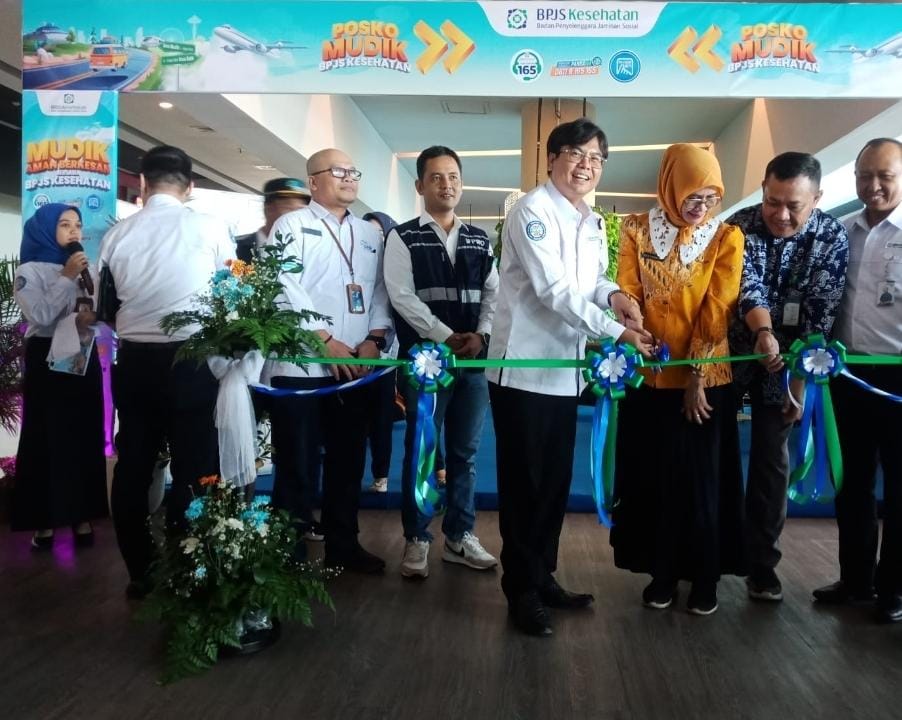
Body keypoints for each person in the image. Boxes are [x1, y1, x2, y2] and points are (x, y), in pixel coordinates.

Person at [487, 118, 652, 636]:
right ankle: (521, 590)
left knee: (554, 484)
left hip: (564, 372)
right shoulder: (532, 212)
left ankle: (544, 576)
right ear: (552, 157)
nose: (587, 166)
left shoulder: (592, 219)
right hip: (523, 372)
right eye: (577, 154)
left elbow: (591, 280)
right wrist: (616, 333)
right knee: (525, 486)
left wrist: (615, 296)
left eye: (597, 158)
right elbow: (553, 290)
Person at [611, 143, 745, 616]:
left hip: (704, 384)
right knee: (655, 480)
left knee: (701, 481)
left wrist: (697, 376)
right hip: (648, 379)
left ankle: (705, 576)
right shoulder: (636, 228)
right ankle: (662, 572)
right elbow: (627, 287)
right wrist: (631, 326)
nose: (700, 206)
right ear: (671, 186)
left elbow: (718, 308)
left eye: (711, 197)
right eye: (692, 195)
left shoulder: (725, 237)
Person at [98, 145, 234, 598]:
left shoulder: (117, 235)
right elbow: (230, 298)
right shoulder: (211, 227)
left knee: (134, 466)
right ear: (190, 187)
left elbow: (105, 308)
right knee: (195, 467)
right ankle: (188, 568)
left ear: (142, 184)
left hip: (135, 363)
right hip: (193, 362)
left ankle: (141, 571)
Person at [727, 152, 849, 602]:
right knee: (713, 450)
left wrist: (797, 385)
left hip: (794, 360)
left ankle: (762, 565)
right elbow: (747, 287)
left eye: (793, 206)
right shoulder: (739, 226)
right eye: (772, 201)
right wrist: (763, 332)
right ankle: (709, 554)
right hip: (734, 351)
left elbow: (822, 312)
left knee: (771, 460)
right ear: (763, 190)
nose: (780, 214)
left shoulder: (832, 237)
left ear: (816, 198)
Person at [266, 148, 392, 573]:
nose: (349, 177)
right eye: (339, 171)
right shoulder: (292, 224)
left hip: (355, 367)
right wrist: (323, 339)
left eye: (354, 171)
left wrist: (375, 339)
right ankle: (287, 554)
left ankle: (343, 544)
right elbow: (282, 285)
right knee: (297, 464)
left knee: (348, 462)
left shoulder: (369, 233)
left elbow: (379, 291)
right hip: (301, 366)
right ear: (314, 181)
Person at [384, 145, 499, 579]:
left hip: (472, 364)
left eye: (452, 177)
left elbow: (494, 293)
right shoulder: (403, 237)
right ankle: (416, 538)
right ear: (420, 185)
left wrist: (482, 335)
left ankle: (459, 535)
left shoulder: (479, 239)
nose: (446, 185)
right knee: (422, 451)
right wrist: (444, 335)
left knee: (465, 454)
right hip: (425, 364)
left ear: (461, 183)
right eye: (436, 177)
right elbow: (401, 296)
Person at [813, 138, 902, 622]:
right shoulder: (842, 232)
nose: (873, 186)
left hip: (898, 377)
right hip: (846, 373)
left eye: (885, 176)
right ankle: (856, 579)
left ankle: (895, 590)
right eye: (865, 176)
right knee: (852, 483)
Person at [11, 203, 107, 549]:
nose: (74, 231)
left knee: (83, 433)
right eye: (65, 225)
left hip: (81, 353)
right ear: (46, 229)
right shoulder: (29, 270)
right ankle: (44, 522)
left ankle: (82, 517)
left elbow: (97, 308)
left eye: (77, 225)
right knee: (46, 436)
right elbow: (39, 314)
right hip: (46, 358)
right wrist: (66, 277)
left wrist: (94, 314)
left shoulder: (87, 267)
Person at [362, 211, 399, 495]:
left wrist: (380, 343)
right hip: (350, 354)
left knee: (380, 420)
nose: (373, 238)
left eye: (378, 233)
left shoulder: (397, 266)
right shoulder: (356, 263)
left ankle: (381, 475)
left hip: (385, 358)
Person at [235, 177, 310, 263]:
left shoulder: (311, 252)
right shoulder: (235, 248)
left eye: (301, 210)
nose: (297, 217)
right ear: (269, 208)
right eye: (290, 209)